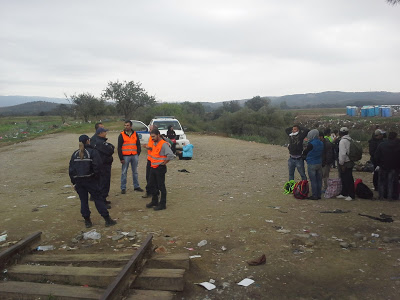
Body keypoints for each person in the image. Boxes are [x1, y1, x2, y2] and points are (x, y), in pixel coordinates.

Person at [69, 135, 116, 227]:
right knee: (98, 200)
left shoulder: (75, 154)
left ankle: (87, 221)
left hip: (79, 181)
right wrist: (97, 179)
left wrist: (74, 182)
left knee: (83, 201)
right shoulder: (92, 152)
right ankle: (107, 219)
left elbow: (71, 170)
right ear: (87, 141)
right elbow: (97, 167)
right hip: (90, 180)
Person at [145, 128, 175, 211]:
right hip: (153, 167)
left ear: (158, 135)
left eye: (154, 136)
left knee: (161, 186)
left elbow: (170, 155)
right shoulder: (155, 143)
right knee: (151, 185)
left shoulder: (163, 144)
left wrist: (164, 163)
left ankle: (162, 204)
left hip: (159, 168)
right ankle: (154, 201)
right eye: (151, 137)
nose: (152, 138)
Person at [118, 120, 143, 194]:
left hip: (134, 155)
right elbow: (119, 147)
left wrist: (138, 153)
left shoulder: (135, 134)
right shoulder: (121, 135)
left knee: (135, 172)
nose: (126, 127)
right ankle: (123, 188)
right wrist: (121, 158)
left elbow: (138, 144)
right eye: (125, 125)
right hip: (125, 156)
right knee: (124, 172)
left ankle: (136, 186)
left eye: (127, 125)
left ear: (131, 126)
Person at [92, 127, 114, 208]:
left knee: (105, 183)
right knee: (103, 183)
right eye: (105, 132)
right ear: (100, 133)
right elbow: (110, 150)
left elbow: (111, 147)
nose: (106, 133)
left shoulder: (100, 141)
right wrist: (110, 147)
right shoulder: (100, 142)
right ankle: (102, 202)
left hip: (105, 165)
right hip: (103, 166)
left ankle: (103, 199)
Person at [374, 132, 400, 200]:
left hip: (383, 166)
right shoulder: (398, 145)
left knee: (381, 182)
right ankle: (390, 197)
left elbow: (376, 156)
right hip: (394, 167)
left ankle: (381, 196)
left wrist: (378, 164)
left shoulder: (382, 144)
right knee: (391, 182)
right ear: (395, 137)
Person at [302, 129, 323, 200]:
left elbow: (305, 152)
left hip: (311, 163)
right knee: (319, 180)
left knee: (313, 180)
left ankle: (314, 195)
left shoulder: (311, 144)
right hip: (319, 162)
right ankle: (319, 194)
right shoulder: (321, 143)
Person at [336, 127, 355, 201]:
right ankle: (344, 193)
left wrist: (341, 163)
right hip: (350, 161)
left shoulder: (342, 141)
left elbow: (342, 154)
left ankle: (351, 195)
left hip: (345, 162)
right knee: (345, 178)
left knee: (348, 179)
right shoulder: (350, 139)